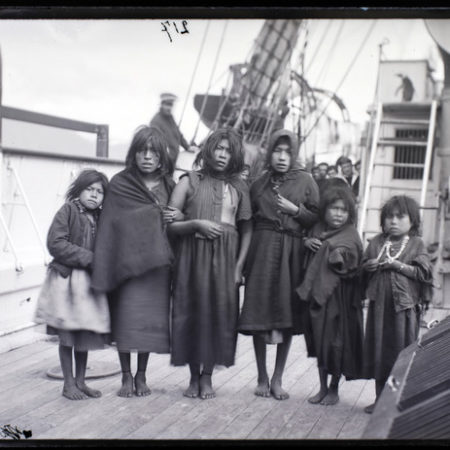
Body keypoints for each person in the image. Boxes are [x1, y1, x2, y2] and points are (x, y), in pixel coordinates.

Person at [91, 126, 183, 398]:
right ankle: (125, 376)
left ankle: (142, 375)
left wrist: (176, 217)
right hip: (127, 264)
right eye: (142, 151)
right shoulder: (120, 183)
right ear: (134, 153)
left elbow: (180, 216)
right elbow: (112, 225)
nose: (146, 156)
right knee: (126, 320)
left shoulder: (170, 185)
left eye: (153, 152)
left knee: (149, 323)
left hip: (157, 266)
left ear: (161, 156)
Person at [168, 128, 253, 400]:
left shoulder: (240, 187)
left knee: (220, 316)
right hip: (193, 257)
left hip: (227, 259)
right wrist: (195, 224)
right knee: (192, 314)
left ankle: (207, 377)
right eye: (218, 148)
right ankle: (193, 377)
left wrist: (239, 267)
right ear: (208, 150)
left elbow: (247, 229)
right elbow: (169, 226)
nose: (222, 154)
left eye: (228, 150)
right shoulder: (188, 181)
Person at [238, 129, 320, 400]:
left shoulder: (307, 180)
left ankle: (277, 378)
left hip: (291, 253)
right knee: (258, 313)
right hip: (261, 250)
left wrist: (296, 211)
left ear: (294, 154)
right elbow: (245, 221)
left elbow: (318, 220)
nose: (282, 157)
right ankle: (261, 376)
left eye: (287, 152)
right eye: (277, 151)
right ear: (269, 152)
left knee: (286, 315)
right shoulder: (258, 182)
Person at [34, 169, 110, 400]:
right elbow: (55, 243)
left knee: (84, 332)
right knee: (68, 334)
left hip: (89, 286)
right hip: (67, 282)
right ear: (78, 190)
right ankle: (68, 384)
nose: (94, 195)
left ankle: (81, 381)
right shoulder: (67, 211)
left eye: (100, 191)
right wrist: (90, 258)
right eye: (90, 189)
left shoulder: (102, 217)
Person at [361, 195, 433, 414]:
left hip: (404, 310)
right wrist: (368, 266)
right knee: (380, 352)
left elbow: (424, 273)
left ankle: (397, 402)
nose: (393, 221)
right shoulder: (376, 242)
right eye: (389, 217)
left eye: (400, 217)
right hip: (379, 309)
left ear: (412, 221)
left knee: (401, 355)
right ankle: (380, 399)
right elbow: (362, 269)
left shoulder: (416, 243)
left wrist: (397, 266)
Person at [297, 187, 364, 406]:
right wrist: (307, 243)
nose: (338, 214)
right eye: (334, 209)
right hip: (319, 296)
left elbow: (354, 262)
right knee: (320, 340)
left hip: (340, 297)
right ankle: (322, 387)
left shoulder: (351, 233)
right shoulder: (317, 228)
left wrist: (336, 254)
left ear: (349, 214)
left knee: (336, 341)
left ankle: (334, 389)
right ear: (325, 210)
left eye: (343, 210)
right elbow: (309, 249)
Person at [149, 93, 198, 170]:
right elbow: (156, 144)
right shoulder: (155, 121)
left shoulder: (170, 118)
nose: (169, 108)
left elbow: (178, 134)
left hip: (172, 161)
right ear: (162, 105)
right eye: (167, 105)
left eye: (171, 105)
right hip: (162, 163)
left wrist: (187, 147)